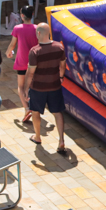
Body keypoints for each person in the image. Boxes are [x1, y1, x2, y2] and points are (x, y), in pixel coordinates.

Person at [23, 23, 67, 153]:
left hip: (38, 88)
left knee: (36, 112)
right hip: (55, 86)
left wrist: (25, 88)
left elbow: (30, 73)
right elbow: (63, 64)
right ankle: (61, 140)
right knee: (57, 112)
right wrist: (61, 76)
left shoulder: (35, 51)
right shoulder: (59, 47)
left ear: (38, 33)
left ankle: (37, 137)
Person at [6, 5, 38, 123]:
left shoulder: (17, 28)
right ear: (32, 15)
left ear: (22, 16)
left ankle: (26, 108)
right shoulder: (37, 28)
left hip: (22, 61)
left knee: (20, 86)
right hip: (34, 62)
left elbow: (12, 44)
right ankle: (34, 107)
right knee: (33, 85)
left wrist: (8, 52)